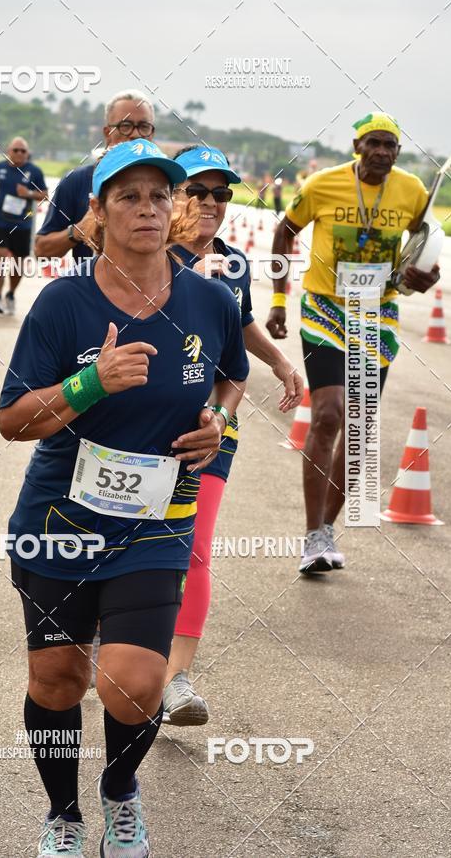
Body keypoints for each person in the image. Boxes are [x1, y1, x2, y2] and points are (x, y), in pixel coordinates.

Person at [0, 139, 249, 857]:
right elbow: (13, 420)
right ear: (99, 212)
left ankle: (120, 792)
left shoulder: (209, 297)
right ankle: (63, 814)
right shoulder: (62, 303)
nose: (148, 207)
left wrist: (219, 421)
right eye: (128, 196)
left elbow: (232, 376)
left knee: (136, 684)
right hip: (59, 518)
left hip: (157, 519)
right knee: (57, 678)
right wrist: (89, 383)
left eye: (159, 195)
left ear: (174, 210)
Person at [162, 146, 304, 725]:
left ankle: (175, 680)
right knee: (124, 535)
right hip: (138, 425)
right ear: (172, 193)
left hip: (214, 426)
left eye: (222, 194)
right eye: (198, 190)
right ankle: (111, 632)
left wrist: (278, 362)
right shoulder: (139, 253)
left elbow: (237, 326)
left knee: (194, 549)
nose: (212, 204)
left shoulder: (233, 263)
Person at [266, 112, 440, 573]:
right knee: (327, 415)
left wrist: (423, 277)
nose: (382, 152)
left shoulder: (412, 192)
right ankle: (311, 536)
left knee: (358, 430)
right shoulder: (323, 185)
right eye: (374, 143)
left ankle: (324, 531)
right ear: (357, 146)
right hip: (325, 308)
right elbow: (285, 230)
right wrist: (280, 300)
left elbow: (422, 252)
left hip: (375, 314)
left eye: (390, 146)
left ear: (398, 153)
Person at [35, 90, 156, 263]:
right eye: (125, 126)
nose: (135, 134)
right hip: (91, 288)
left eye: (144, 127)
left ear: (152, 134)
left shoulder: (172, 184)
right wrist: (78, 231)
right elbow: (41, 251)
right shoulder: (77, 181)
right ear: (108, 133)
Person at [0, 137, 48, 315]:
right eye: (15, 150)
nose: (19, 153)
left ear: (28, 153)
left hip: (24, 223)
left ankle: (10, 294)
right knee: (0, 257)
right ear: (8, 151)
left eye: (23, 151)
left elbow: (44, 194)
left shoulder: (34, 171)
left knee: (18, 264)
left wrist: (27, 193)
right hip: (1, 222)